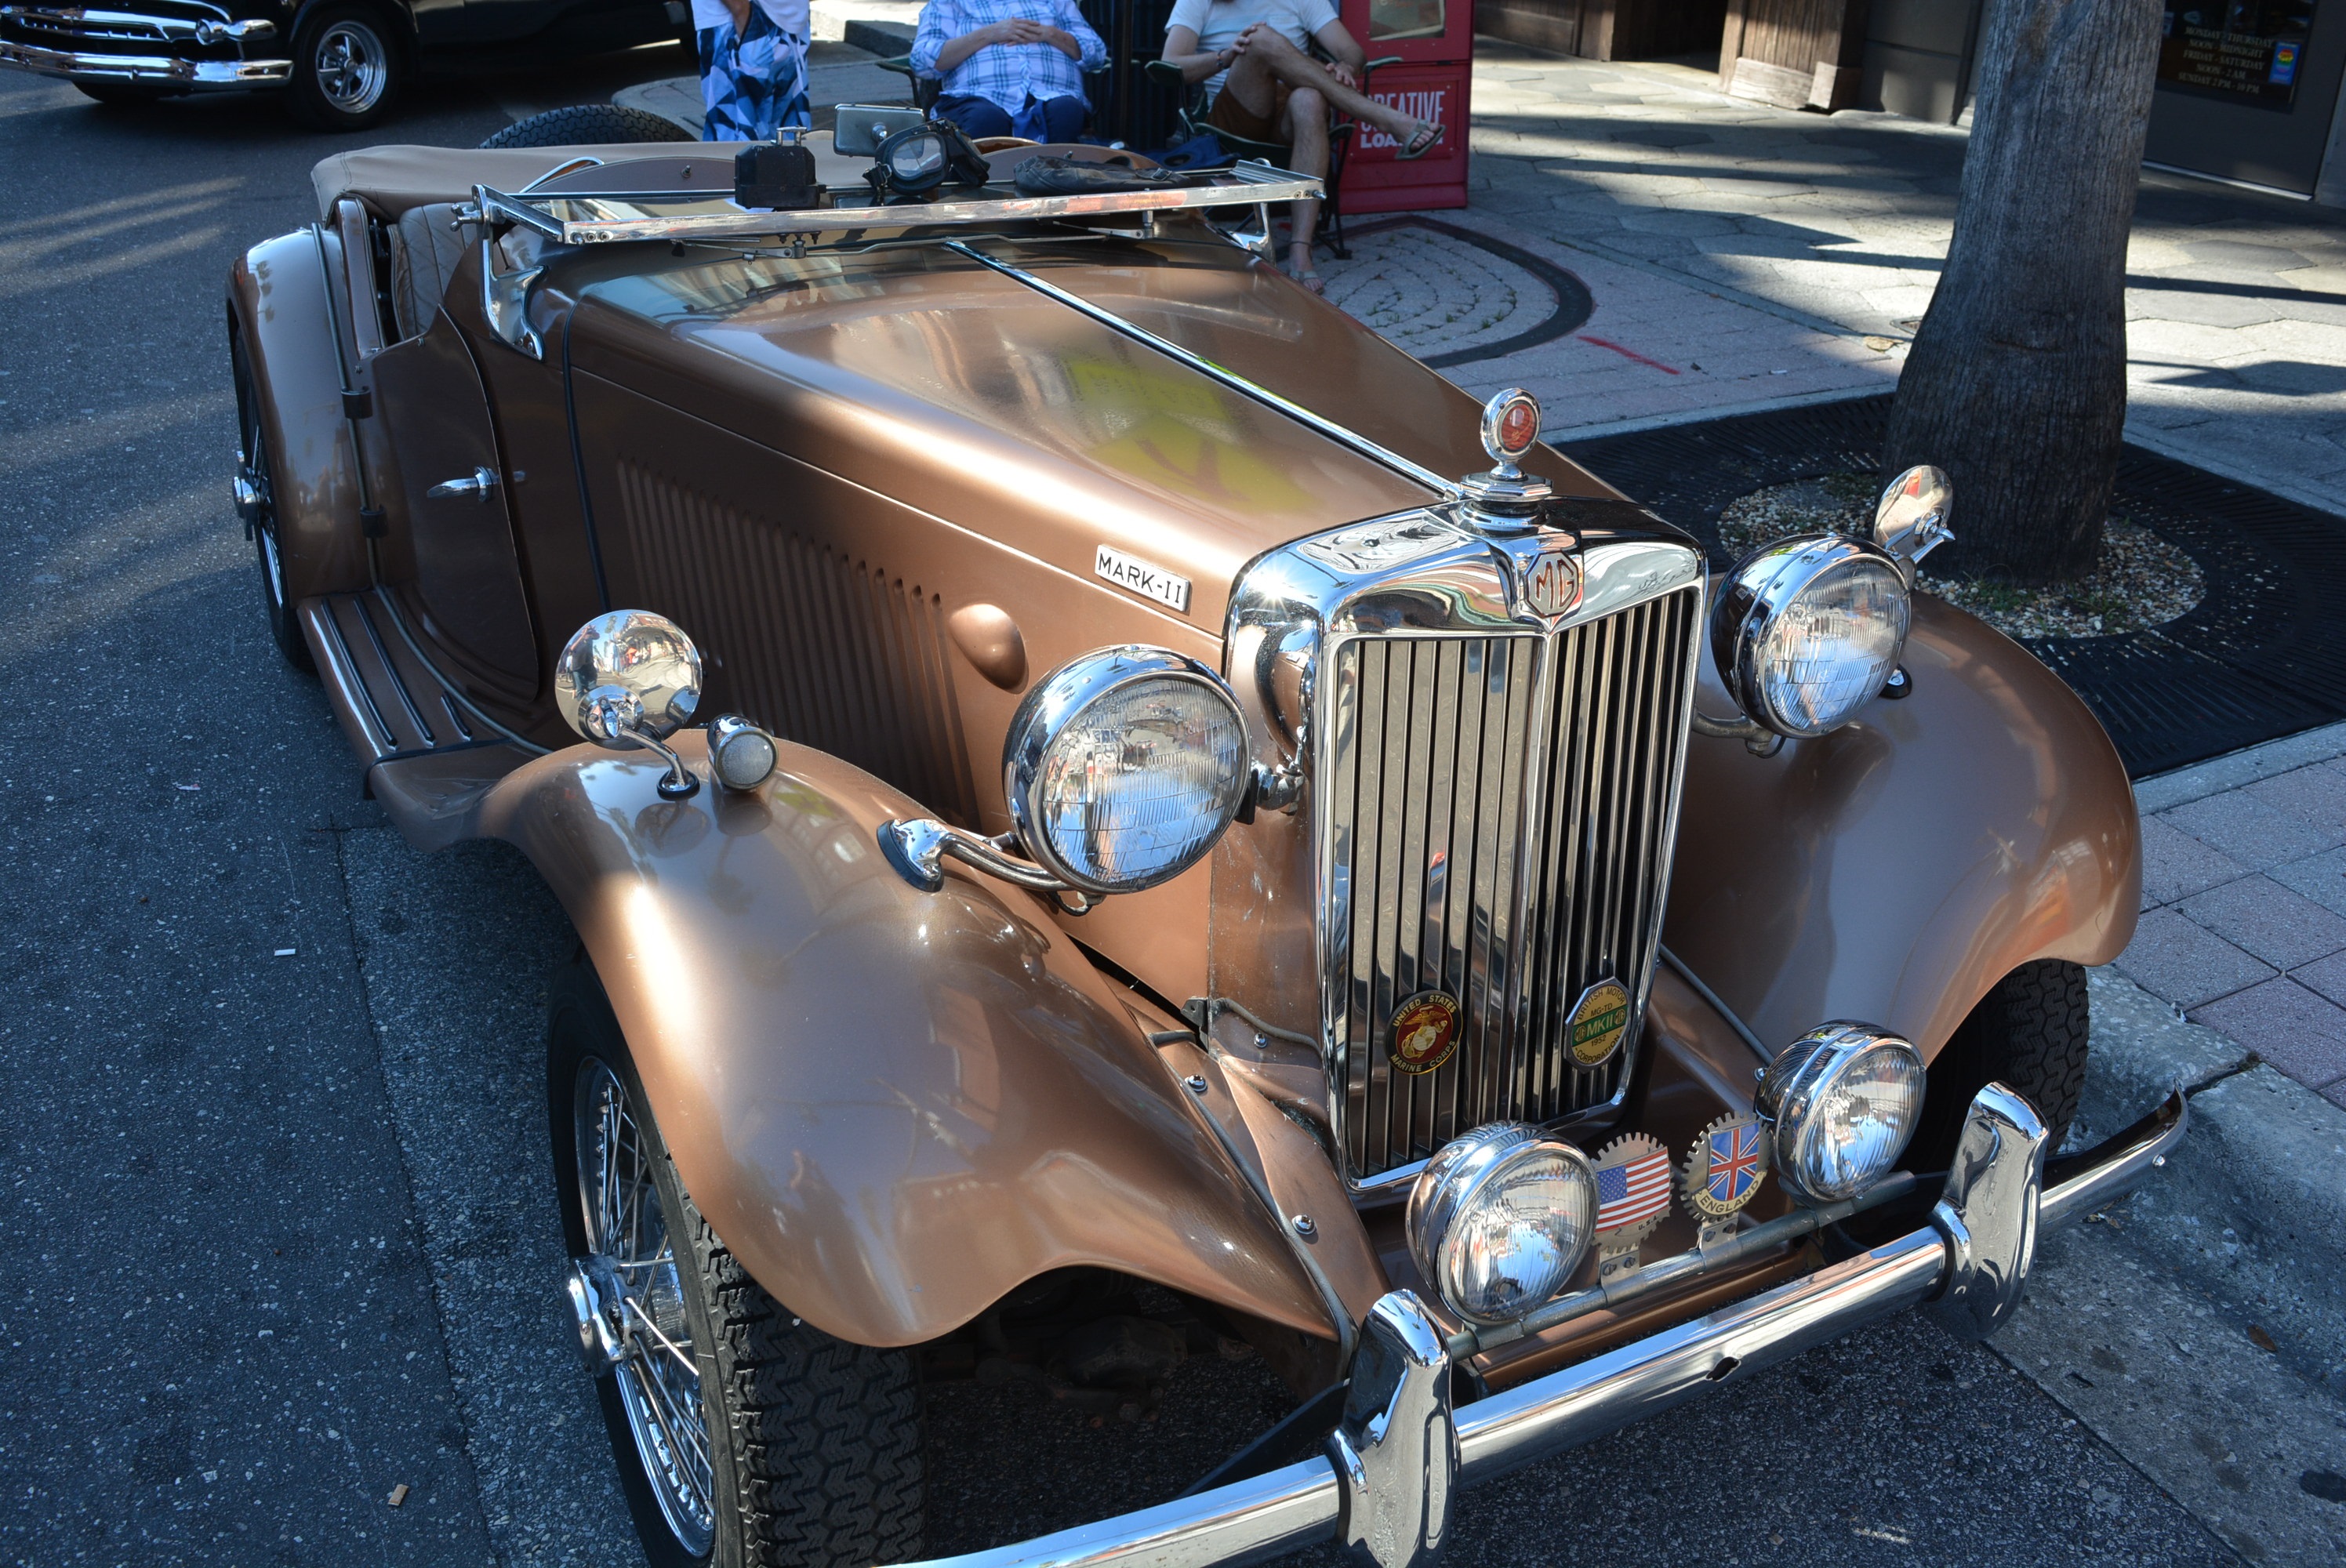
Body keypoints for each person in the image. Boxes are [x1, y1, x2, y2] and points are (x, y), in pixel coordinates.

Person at [1163, 0, 1441, 293]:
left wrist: (1346, 66)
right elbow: (1170, 64)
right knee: (1259, 38)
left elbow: (1352, 51)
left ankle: (1300, 248)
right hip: (1232, 121)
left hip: (1290, 119)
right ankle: (1382, 117)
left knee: (1309, 99)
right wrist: (1225, 56)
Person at [910, 0, 1108, 146]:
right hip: (977, 95)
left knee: (1065, 111)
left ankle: (1057, 185)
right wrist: (988, 34)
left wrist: (1050, 34)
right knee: (985, 119)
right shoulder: (948, 3)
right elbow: (922, 61)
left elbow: (1097, 53)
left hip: (1052, 92)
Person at [695, 0, 812, 141]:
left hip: (792, 24)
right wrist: (741, 12)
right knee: (735, 144)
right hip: (735, 21)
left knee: (791, 144)